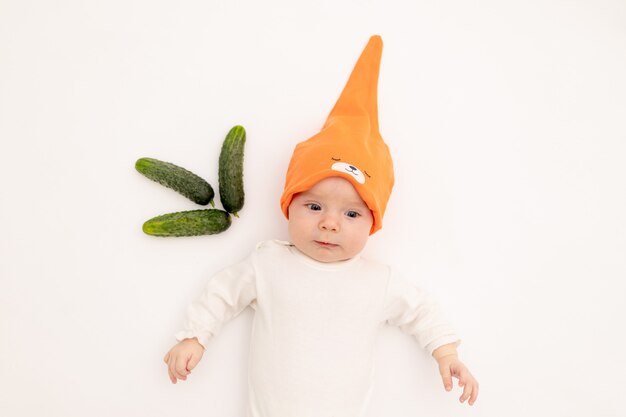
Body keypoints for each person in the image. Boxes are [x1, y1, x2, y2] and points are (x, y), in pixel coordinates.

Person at [163, 35, 479, 416]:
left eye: (351, 214)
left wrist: (447, 353)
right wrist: (194, 337)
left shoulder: (380, 281)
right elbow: (222, 293)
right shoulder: (268, 264)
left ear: (373, 223)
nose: (330, 224)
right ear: (289, 207)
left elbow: (421, 311)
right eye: (314, 206)